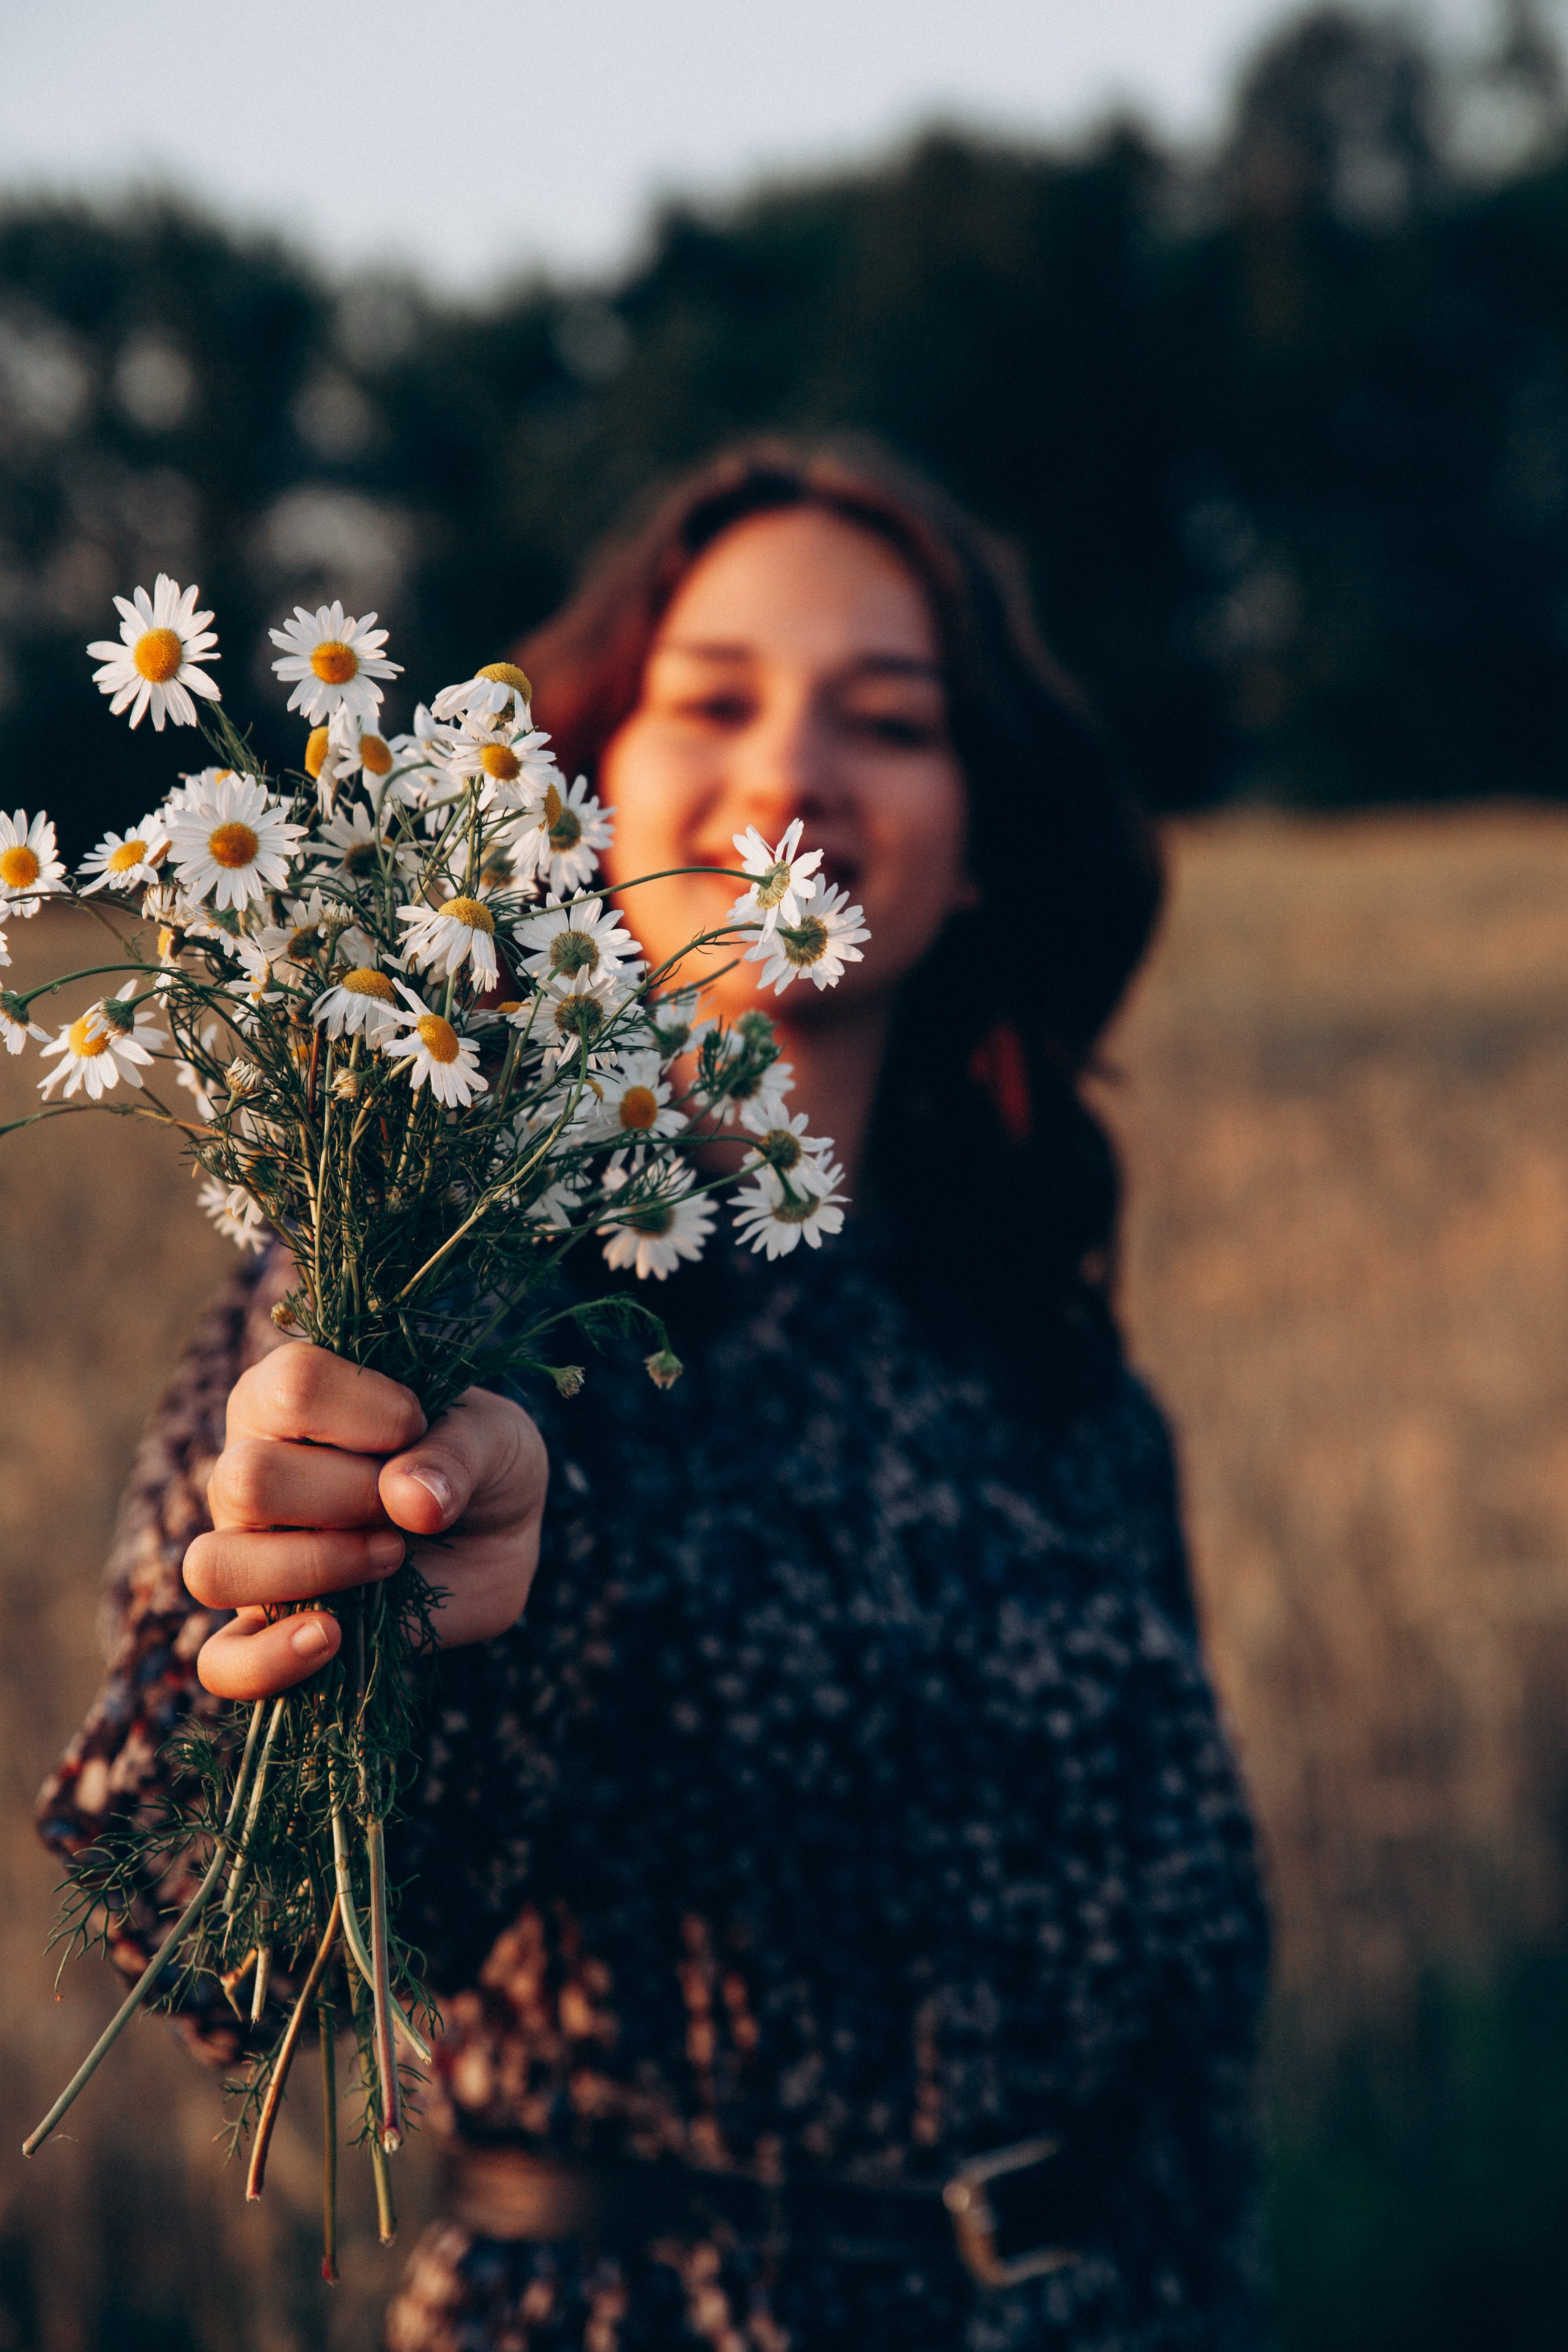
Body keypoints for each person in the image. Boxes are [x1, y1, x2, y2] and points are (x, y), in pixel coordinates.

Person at [40, 442, 1270, 2352]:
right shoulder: (429, 1263)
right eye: (712, 700)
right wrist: (366, 1618)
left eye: (890, 720)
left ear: (982, 845)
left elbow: (1190, 2040)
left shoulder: (1053, 1366)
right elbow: (220, 1936)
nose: (794, 770)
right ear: (579, 793)